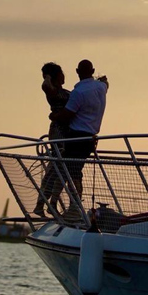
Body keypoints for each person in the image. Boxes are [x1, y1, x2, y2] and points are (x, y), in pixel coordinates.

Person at [49, 60, 109, 220]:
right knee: (72, 170)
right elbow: (105, 83)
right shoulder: (101, 88)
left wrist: (54, 116)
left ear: (77, 71)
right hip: (90, 138)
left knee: (71, 171)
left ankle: (73, 208)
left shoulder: (78, 92)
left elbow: (67, 114)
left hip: (76, 136)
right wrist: (102, 79)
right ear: (93, 70)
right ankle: (63, 204)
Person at [33, 62, 71, 217]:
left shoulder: (62, 91)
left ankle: (52, 202)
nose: (64, 76)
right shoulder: (53, 91)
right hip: (58, 132)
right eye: (61, 73)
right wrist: (48, 76)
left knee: (63, 168)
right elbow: (45, 85)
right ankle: (41, 204)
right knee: (54, 168)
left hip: (67, 132)